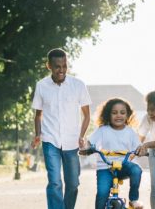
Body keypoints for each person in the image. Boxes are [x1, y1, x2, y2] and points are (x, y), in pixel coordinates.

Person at [31, 48, 91, 209]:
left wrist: (82, 135)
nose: (61, 70)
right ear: (48, 66)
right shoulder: (42, 86)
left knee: (72, 184)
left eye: (64, 65)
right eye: (57, 66)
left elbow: (87, 115)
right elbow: (38, 115)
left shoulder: (78, 85)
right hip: (50, 140)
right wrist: (38, 134)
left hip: (72, 142)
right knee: (55, 181)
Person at [87, 98, 143, 209]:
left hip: (124, 166)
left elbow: (138, 147)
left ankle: (133, 199)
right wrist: (87, 148)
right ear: (108, 115)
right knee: (102, 193)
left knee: (136, 170)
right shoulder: (102, 130)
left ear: (127, 115)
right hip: (105, 167)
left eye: (122, 113)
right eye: (114, 113)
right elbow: (90, 142)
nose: (118, 115)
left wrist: (141, 150)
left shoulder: (130, 131)